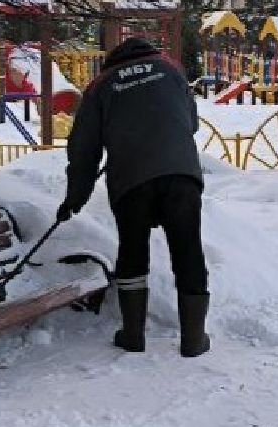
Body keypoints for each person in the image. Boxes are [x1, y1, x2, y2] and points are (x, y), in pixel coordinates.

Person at [59, 37, 210, 356]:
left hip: (131, 179)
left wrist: (75, 198)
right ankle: (194, 339)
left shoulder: (101, 84)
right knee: (188, 250)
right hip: (181, 174)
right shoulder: (171, 69)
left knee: (133, 250)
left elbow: (84, 149)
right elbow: (191, 122)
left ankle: (133, 334)